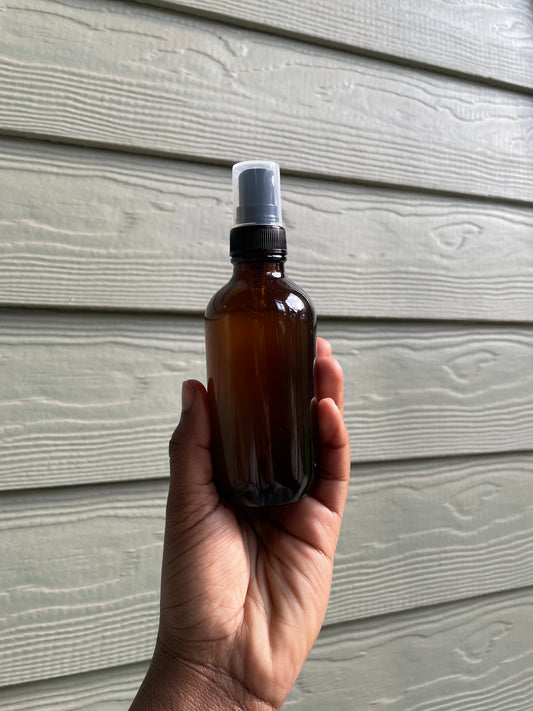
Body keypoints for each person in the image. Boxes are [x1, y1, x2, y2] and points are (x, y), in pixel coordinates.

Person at [129, 338, 350, 710]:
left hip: (291, 518)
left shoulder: (289, 311)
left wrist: (222, 682)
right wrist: (212, 673)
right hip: (237, 525)